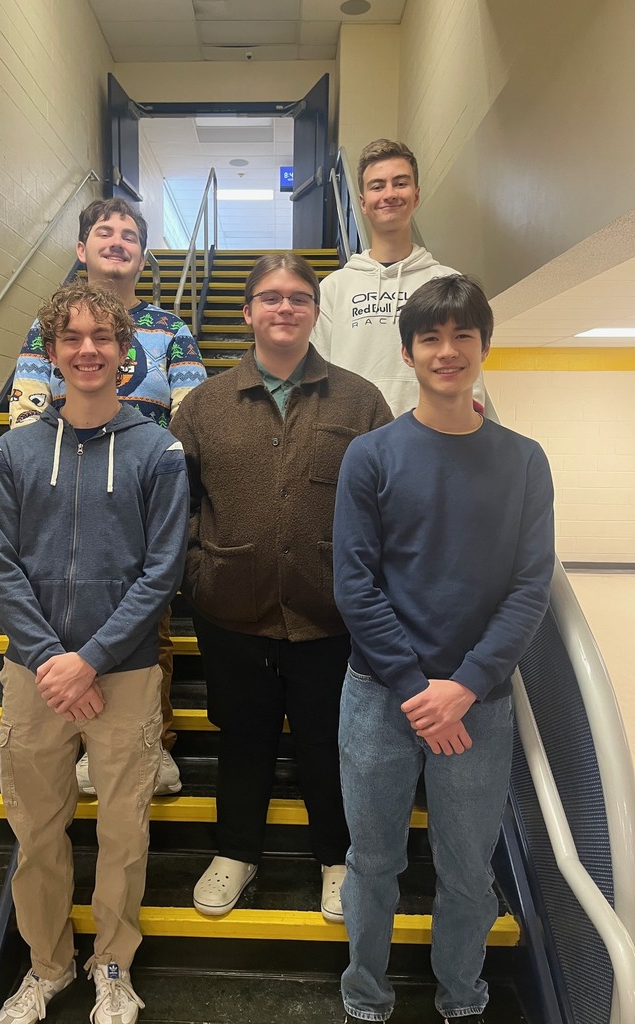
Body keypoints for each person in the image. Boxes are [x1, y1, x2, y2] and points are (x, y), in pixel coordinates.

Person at [333, 275, 555, 1023]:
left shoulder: (525, 461)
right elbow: (355, 587)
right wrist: (416, 690)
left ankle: (463, 997)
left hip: (477, 708)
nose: (448, 350)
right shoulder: (371, 455)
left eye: (463, 335)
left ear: (484, 346)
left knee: (467, 871)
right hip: (379, 698)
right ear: (408, 351)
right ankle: (366, 995)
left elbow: (530, 589)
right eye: (431, 337)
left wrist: (462, 688)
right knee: (372, 864)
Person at [0, 282, 189, 1024]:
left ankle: (112, 966)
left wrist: (91, 658)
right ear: (51, 351)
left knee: (123, 832)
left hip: (124, 673)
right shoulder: (14, 451)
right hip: (34, 674)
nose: (88, 350)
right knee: (37, 836)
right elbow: (0, 567)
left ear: (125, 349)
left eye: (102, 336)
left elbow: (163, 570)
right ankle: (47, 967)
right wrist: (50, 659)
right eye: (70, 338)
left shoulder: (158, 450)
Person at [170, 254, 393, 922]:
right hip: (231, 611)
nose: (285, 308)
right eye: (270, 297)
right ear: (247, 312)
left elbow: (390, 505)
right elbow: (172, 506)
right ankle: (235, 854)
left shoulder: (360, 401)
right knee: (243, 736)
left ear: (315, 312)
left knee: (331, 742)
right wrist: (196, 571)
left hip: (331, 613)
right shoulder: (205, 405)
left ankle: (336, 860)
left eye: (299, 297)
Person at [9, 196, 206, 797]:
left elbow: (192, 418)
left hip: (139, 503)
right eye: (104, 232)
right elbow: (24, 418)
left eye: (129, 235)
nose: (117, 241)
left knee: (153, 627)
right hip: (57, 501)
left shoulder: (169, 329)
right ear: (81, 249)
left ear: (143, 254)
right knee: (55, 622)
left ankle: (155, 743)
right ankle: (72, 741)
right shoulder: (48, 331)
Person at [310, 138, 484, 415]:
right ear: (364, 204)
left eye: (400, 183)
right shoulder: (334, 288)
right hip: (353, 439)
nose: (389, 194)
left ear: (415, 196)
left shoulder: (447, 282)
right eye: (378, 186)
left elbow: (469, 373)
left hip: (432, 436)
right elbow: (318, 375)